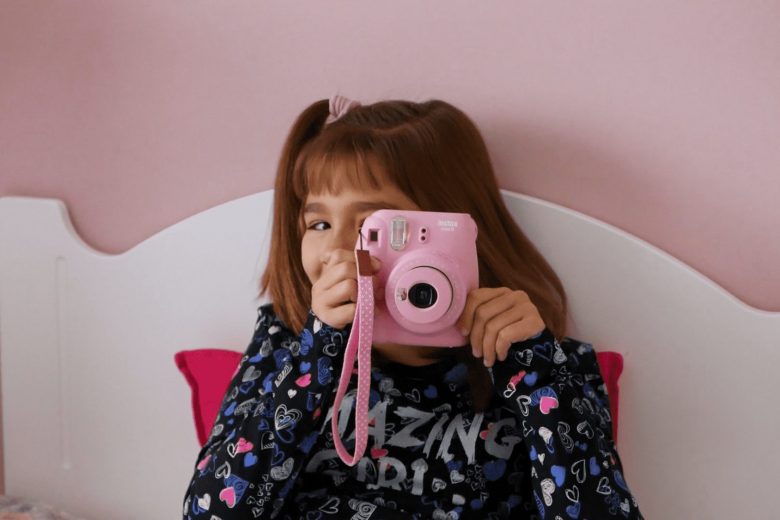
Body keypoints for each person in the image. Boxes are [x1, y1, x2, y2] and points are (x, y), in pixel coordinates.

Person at [182, 95, 644, 519]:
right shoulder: (285, 345)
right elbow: (210, 512)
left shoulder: (542, 362)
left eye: (371, 226)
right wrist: (317, 356)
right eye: (318, 224)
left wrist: (539, 376)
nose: (337, 250)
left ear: (453, 229)